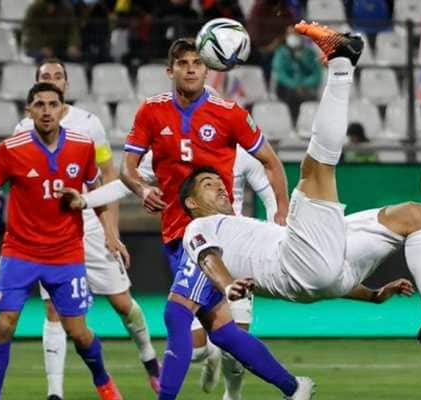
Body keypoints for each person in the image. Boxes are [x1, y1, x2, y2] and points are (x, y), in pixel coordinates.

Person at [173, 21, 421, 361]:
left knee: (414, 215)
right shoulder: (197, 229)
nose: (222, 189)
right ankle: (342, 63)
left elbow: (326, 275)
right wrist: (228, 285)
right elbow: (207, 258)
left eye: (219, 182)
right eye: (209, 186)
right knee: (316, 170)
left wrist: (373, 294)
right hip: (296, 265)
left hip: (326, 269)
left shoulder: (245, 226)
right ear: (191, 203)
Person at [120, 37, 289, 399]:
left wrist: (282, 212)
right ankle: (294, 388)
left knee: (176, 315)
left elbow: (271, 162)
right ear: (171, 71)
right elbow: (127, 168)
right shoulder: (151, 111)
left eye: (198, 62)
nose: (191, 68)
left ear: (208, 68)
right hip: (174, 234)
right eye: (183, 63)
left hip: (214, 235)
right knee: (223, 333)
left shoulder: (229, 112)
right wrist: (141, 189)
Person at [13, 59, 160, 399]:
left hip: (90, 224)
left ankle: (150, 360)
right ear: (35, 88)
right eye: (45, 77)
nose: (53, 81)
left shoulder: (89, 124)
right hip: (51, 234)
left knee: (123, 303)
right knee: (54, 311)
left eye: (58, 76)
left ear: (66, 84)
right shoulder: (22, 130)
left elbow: (107, 177)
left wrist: (112, 231)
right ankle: (55, 392)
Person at [0, 83, 122, 400]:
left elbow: (97, 195)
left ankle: (103, 381)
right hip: (19, 251)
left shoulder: (82, 146)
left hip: (66, 253)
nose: (47, 110)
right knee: (4, 325)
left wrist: (109, 234)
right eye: (40, 104)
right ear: (29, 110)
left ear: (62, 108)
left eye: (53, 104)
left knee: (78, 333)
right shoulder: (10, 149)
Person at [272, 25, 322, 123]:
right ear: (286, 36)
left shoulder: (310, 53)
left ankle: (309, 124)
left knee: (311, 97)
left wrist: (304, 84)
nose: (293, 36)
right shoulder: (281, 53)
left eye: (295, 34)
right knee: (293, 96)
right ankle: (293, 123)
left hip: (307, 88)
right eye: (290, 34)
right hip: (287, 87)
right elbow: (280, 74)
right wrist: (296, 85)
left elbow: (317, 74)